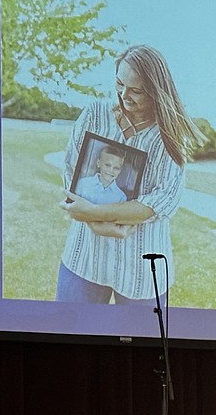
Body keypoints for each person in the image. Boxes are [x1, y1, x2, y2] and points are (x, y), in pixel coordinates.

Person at [56, 44, 203, 304]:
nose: (125, 95)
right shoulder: (95, 114)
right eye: (120, 84)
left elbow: (159, 202)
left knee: (142, 344)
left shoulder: (169, 136)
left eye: (136, 91)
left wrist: (93, 214)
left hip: (141, 268)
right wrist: (93, 224)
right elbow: (71, 169)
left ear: (157, 92)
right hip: (85, 256)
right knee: (69, 338)